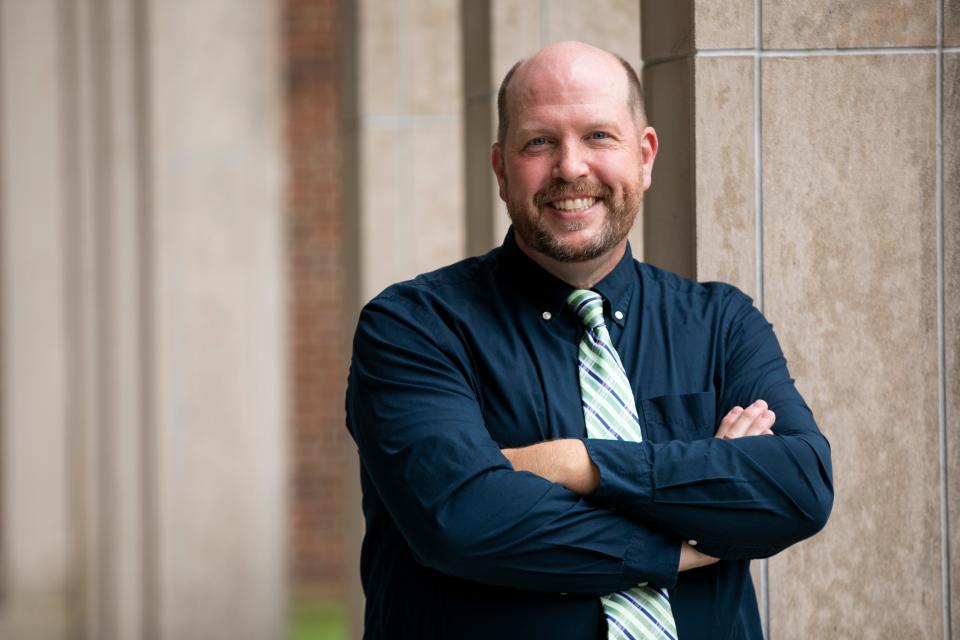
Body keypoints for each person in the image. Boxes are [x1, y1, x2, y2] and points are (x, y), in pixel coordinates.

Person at [345, 41, 833, 639]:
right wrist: (689, 528)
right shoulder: (413, 327)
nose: (571, 168)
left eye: (599, 136)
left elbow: (799, 487)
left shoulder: (720, 323)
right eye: (539, 141)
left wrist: (579, 464)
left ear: (645, 156)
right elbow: (461, 518)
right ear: (501, 169)